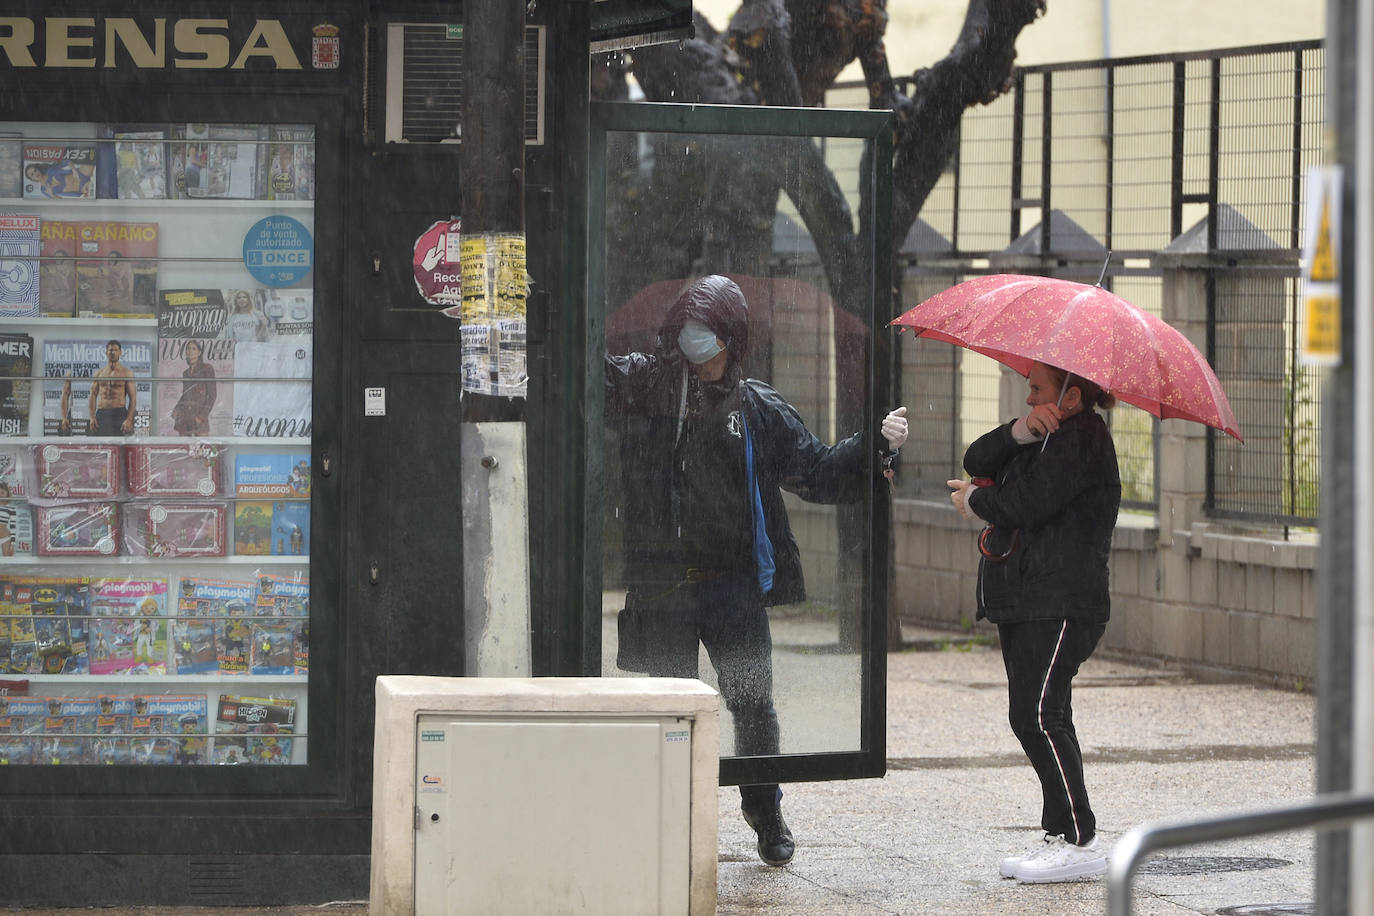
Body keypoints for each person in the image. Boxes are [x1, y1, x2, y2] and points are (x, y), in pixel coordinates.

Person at [605, 274, 909, 867]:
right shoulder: (652, 384)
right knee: (669, 712)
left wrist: (873, 445)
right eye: (688, 326)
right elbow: (592, 370)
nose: (694, 340)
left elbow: (815, 470)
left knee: (752, 705)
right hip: (665, 587)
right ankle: (666, 817)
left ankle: (764, 812)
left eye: (707, 329)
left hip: (733, 590)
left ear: (730, 339)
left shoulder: (758, 407)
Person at [946, 360, 1121, 884]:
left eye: (1037, 389)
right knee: (1030, 717)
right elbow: (977, 456)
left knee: (1041, 714)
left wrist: (976, 499)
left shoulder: (1083, 439)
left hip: (1062, 602)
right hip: (1025, 600)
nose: (1028, 398)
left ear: (1071, 395)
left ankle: (1081, 839)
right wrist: (1021, 432)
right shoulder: (1045, 436)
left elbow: (1028, 501)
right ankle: (1060, 833)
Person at [90, 340, 136, 436]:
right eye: (111, 350)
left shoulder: (127, 373)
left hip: (119, 413)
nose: (113, 352)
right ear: (106, 352)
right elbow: (93, 395)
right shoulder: (99, 373)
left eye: (116, 350)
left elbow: (133, 398)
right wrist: (91, 417)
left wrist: (129, 419)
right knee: (100, 446)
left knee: (119, 445)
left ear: (120, 352)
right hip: (102, 413)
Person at [171, 339, 216, 436]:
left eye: (194, 349)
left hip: (199, 417)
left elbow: (212, 396)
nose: (190, 351)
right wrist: (176, 409)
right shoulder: (185, 373)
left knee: (202, 448)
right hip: (184, 417)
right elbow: (185, 395)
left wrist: (201, 417)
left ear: (199, 352)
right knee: (184, 448)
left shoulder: (207, 368)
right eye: (188, 349)